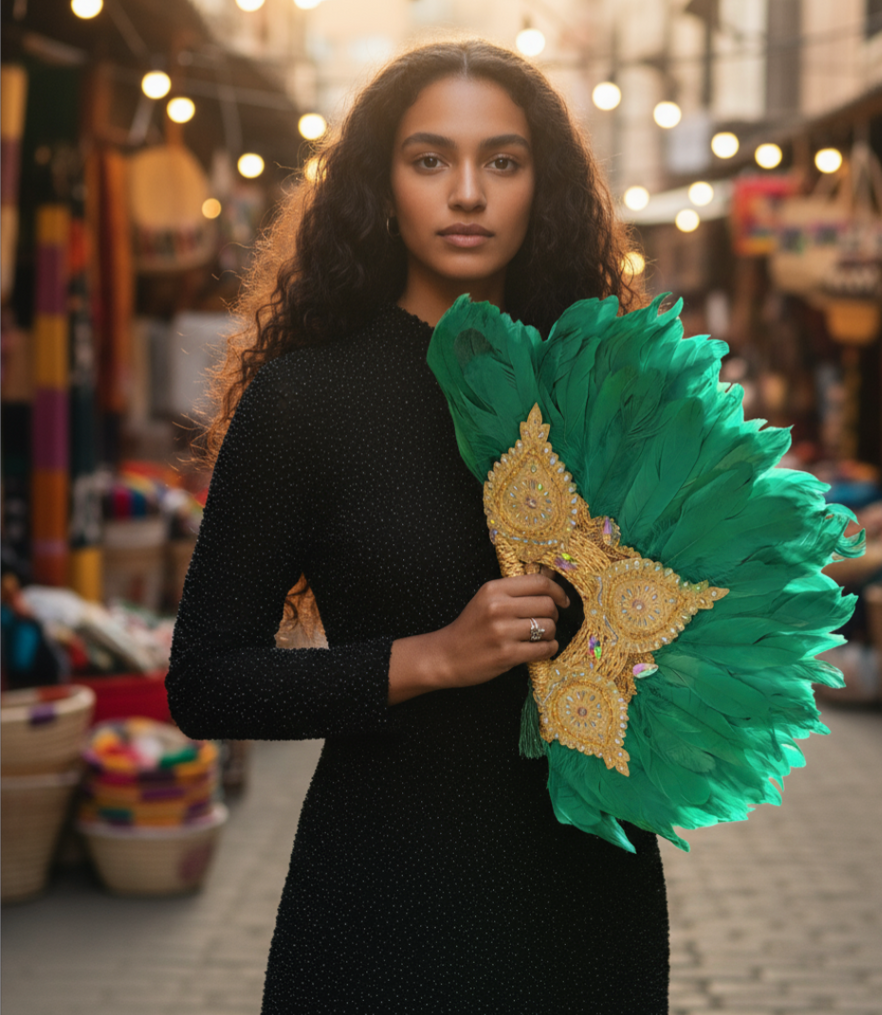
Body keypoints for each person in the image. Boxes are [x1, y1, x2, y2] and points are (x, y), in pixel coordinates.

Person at [167, 38, 669, 1014]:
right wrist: (433, 657)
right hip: (387, 891)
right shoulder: (307, 402)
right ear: (379, 183)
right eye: (430, 159)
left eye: (503, 161)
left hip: (587, 891)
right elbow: (206, 680)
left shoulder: (607, 397)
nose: (467, 192)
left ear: (542, 187)